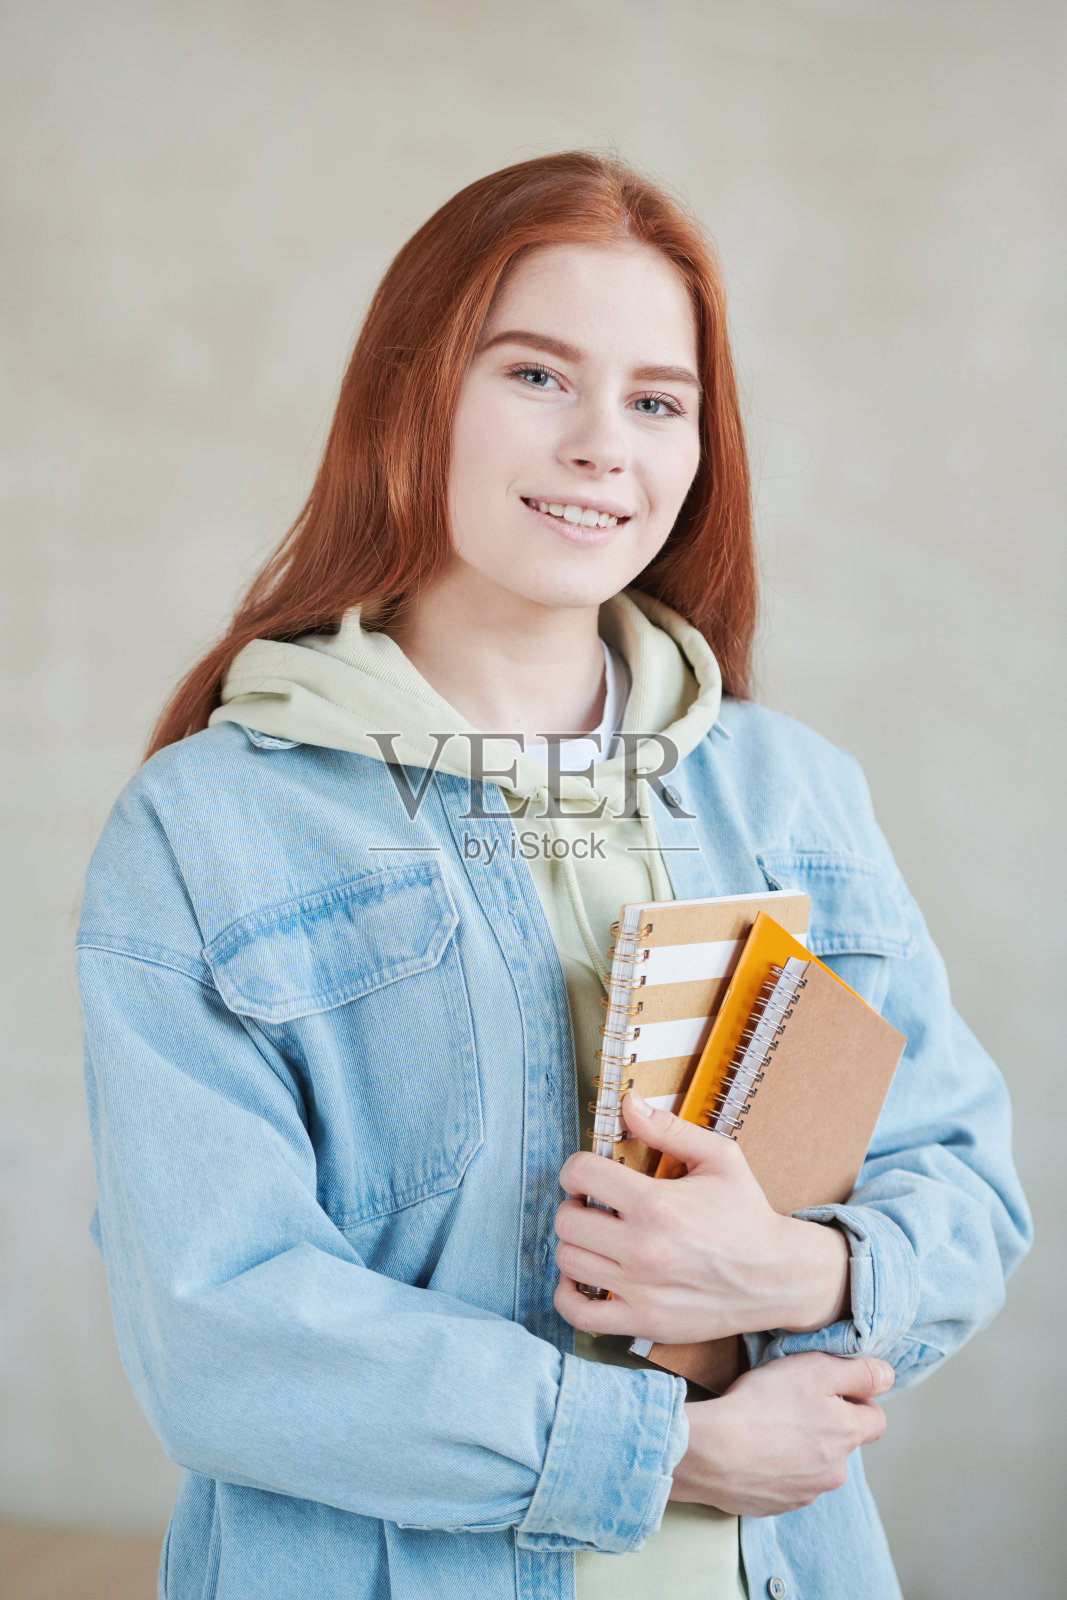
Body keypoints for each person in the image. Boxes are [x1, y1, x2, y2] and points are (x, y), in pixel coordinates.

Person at [76, 152, 1031, 1600]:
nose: (604, 445)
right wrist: (664, 1450)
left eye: (657, 401)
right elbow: (217, 1332)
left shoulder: (794, 794)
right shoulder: (209, 826)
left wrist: (791, 1276)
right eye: (536, 376)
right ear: (416, 394)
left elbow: (964, 1189)